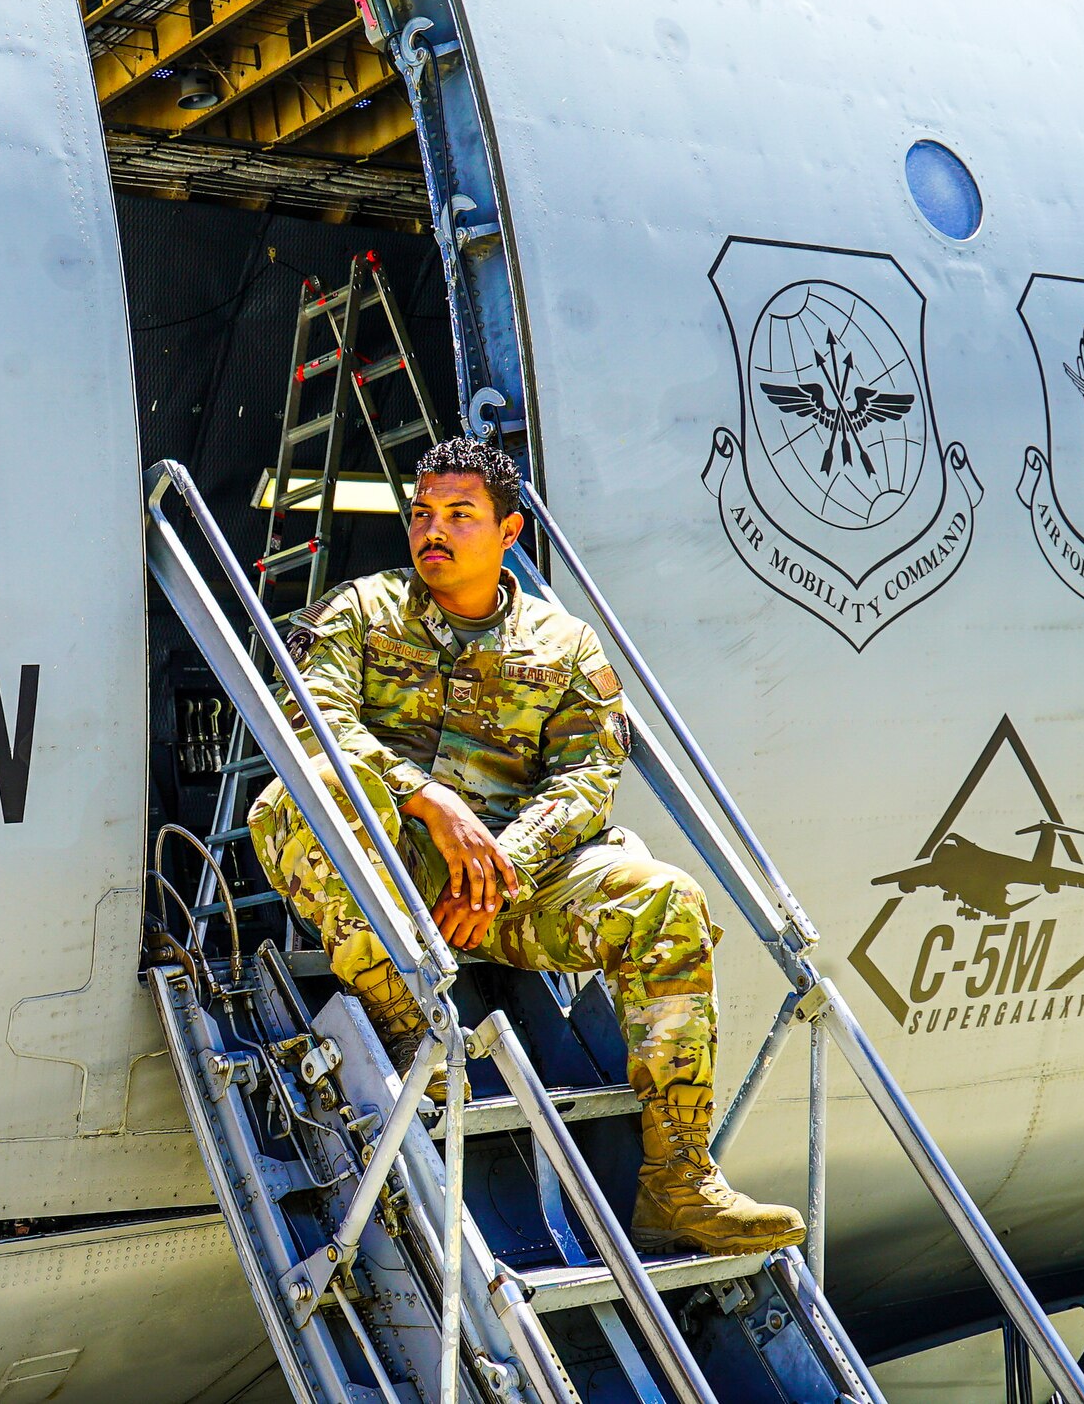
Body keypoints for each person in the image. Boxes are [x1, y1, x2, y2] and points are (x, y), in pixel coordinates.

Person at [247, 435, 804, 1256]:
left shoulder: (565, 645)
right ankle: (412, 1027)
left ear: (508, 532)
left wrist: (502, 867)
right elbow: (306, 718)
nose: (433, 531)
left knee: (667, 900)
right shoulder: (362, 611)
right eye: (422, 514)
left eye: (459, 515)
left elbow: (587, 777)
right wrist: (428, 799)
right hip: (393, 880)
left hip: (511, 889)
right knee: (298, 797)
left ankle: (680, 1184)